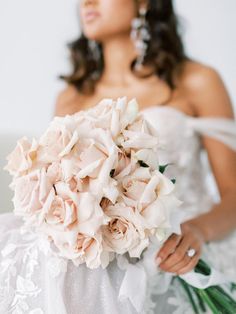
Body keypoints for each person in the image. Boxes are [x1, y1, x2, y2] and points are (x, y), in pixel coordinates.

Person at [0, 0, 235, 313]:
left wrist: (198, 231)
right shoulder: (70, 98)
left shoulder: (198, 81)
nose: (87, 2)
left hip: (182, 251)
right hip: (104, 270)